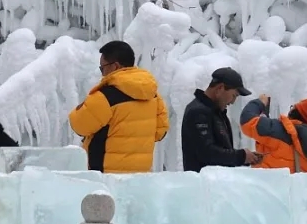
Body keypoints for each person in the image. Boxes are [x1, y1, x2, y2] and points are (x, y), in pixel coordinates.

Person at [68, 40, 170, 173]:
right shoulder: (153, 95)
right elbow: (160, 133)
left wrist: (81, 106)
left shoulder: (106, 96)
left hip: (107, 176)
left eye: (102, 68)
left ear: (115, 66)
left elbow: (79, 125)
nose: (102, 73)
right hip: (140, 175)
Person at [180, 67, 261, 172]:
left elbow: (220, 153)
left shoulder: (216, 113)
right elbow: (206, 153)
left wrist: (245, 158)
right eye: (234, 95)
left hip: (216, 184)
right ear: (220, 89)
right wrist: (241, 156)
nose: (233, 102)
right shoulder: (198, 112)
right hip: (203, 185)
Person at [240, 94, 307, 173]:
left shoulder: (281, 130)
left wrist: (260, 102)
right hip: (287, 193)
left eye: (293, 107)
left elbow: (247, 121)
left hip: (266, 190)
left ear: (296, 111)